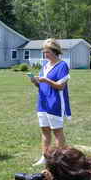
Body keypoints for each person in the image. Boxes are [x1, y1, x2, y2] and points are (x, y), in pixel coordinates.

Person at [29, 38, 71, 166]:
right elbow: (42, 86)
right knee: (45, 131)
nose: (44, 54)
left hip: (54, 103)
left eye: (46, 52)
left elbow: (61, 86)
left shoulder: (62, 65)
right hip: (42, 102)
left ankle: (60, 159)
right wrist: (36, 82)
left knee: (57, 131)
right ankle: (45, 156)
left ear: (54, 51)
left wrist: (46, 80)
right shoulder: (45, 66)